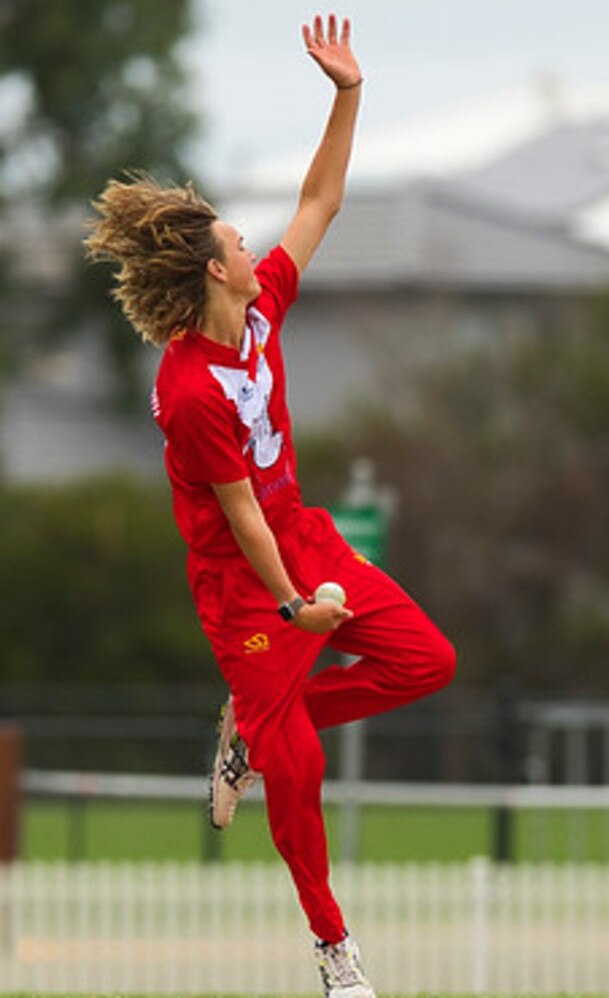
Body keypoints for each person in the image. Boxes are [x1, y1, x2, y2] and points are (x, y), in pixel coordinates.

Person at [85, 14, 456, 998]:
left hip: (301, 533)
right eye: (236, 241)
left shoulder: (259, 305)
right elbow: (239, 517)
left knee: (425, 660)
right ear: (214, 266)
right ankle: (335, 950)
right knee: (297, 772)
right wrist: (298, 607)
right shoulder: (188, 390)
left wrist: (345, 94)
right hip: (244, 585)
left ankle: (253, 723)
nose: (253, 245)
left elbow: (321, 198)